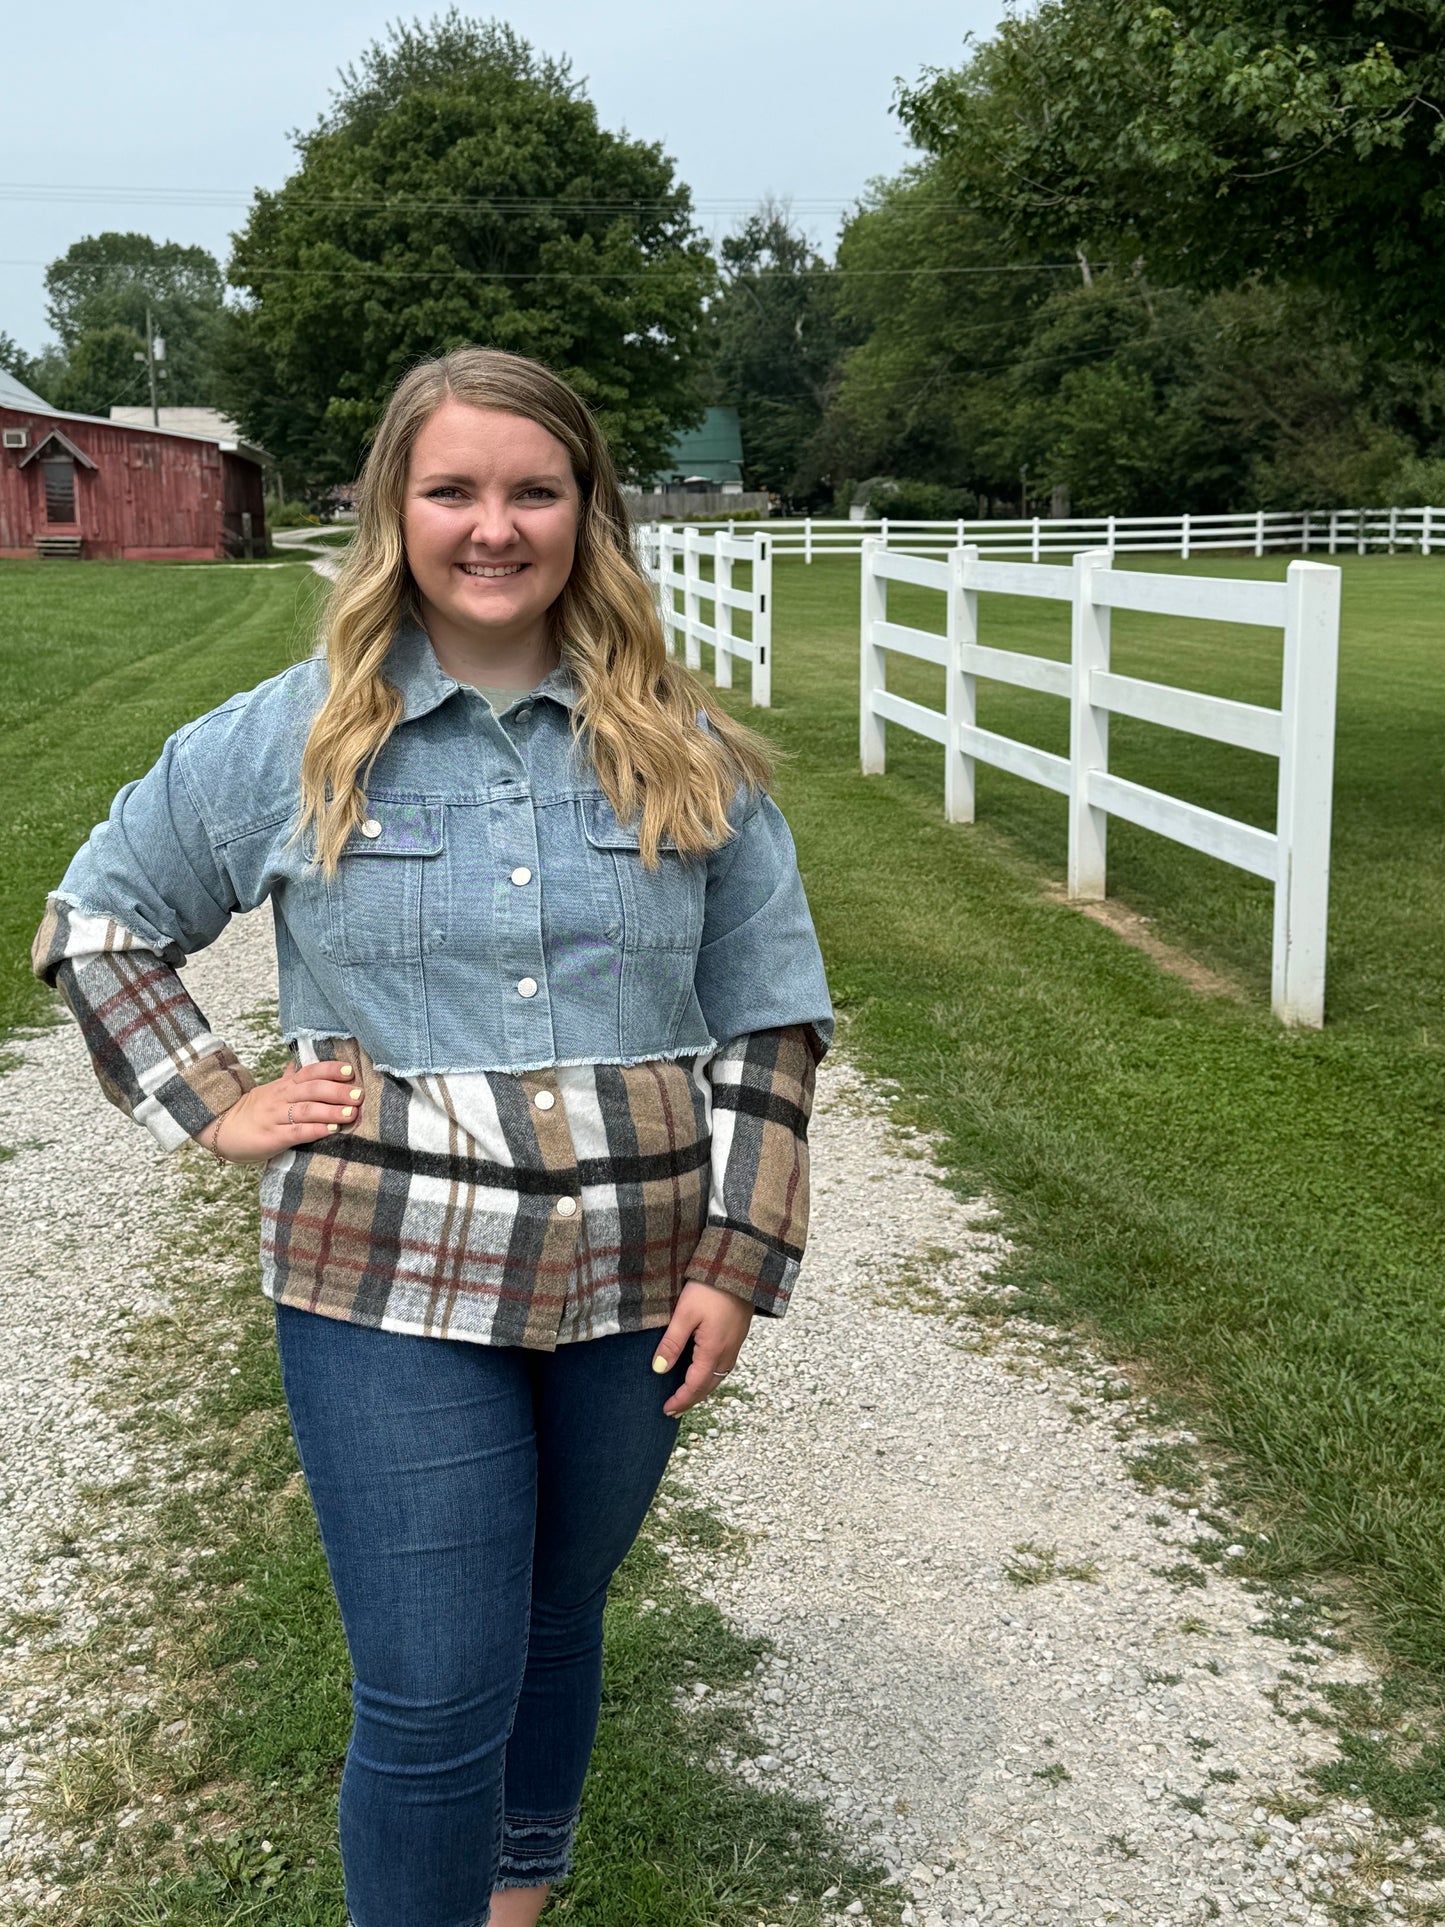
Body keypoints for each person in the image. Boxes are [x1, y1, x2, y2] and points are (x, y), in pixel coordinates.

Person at [32, 347, 832, 1927]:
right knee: (429, 1683)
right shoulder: (289, 738)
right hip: (383, 1273)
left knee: (551, 1622)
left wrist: (737, 1260)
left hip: (634, 1280)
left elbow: (772, 1017)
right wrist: (214, 1102)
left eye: (533, 490)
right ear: (393, 509)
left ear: (585, 513)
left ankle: (514, 1903)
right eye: (451, 489)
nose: (492, 526)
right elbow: (101, 917)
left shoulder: (682, 749)